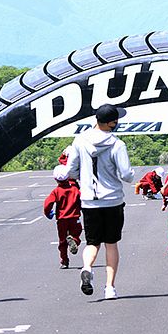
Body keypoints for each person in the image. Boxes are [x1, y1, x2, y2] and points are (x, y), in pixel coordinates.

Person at [65, 104, 135, 300]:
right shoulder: (117, 144)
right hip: (112, 200)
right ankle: (110, 287)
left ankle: (87, 267)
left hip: (89, 200)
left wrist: (83, 178)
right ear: (112, 123)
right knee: (111, 243)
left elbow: (71, 170)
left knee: (92, 242)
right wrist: (131, 175)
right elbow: (126, 174)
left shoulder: (80, 140)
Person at [43, 165, 83, 269]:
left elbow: (48, 204)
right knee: (77, 233)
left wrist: (48, 213)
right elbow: (82, 200)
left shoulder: (56, 191)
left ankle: (64, 261)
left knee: (62, 240)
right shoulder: (74, 190)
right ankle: (75, 240)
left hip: (62, 219)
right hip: (74, 217)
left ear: (55, 179)